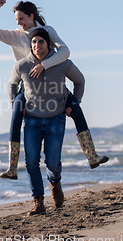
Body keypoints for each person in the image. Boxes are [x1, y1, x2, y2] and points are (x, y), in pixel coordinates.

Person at [0, 0, 108, 179]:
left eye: (21, 19)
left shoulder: (47, 32)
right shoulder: (15, 36)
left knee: (76, 108)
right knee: (16, 112)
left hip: (53, 86)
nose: (18, 23)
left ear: (31, 16)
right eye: (16, 20)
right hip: (28, 88)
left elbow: (65, 52)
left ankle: (92, 156)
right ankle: (12, 167)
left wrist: (44, 65)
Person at [9, 28, 83, 215]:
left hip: (55, 119)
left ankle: (55, 183)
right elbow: (12, 84)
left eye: (40, 42)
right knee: (31, 162)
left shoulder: (63, 64)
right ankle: (38, 202)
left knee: (53, 163)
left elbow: (80, 80)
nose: (36, 45)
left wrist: (74, 104)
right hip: (32, 120)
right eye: (33, 42)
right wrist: (16, 106)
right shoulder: (22, 65)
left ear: (48, 44)